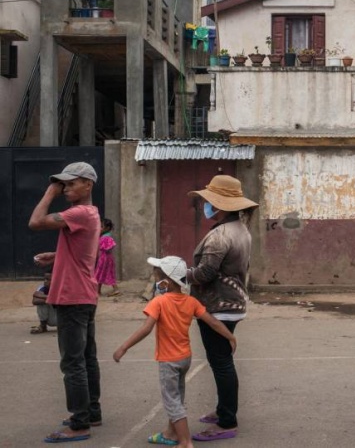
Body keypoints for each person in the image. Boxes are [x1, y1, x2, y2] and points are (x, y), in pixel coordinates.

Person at [114, 256, 237, 448]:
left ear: (167, 281)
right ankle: (170, 433)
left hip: (168, 361)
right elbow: (212, 322)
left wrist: (123, 347)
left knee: (172, 402)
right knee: (177, 396)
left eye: (157, 277)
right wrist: (230, 336)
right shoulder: (191, 302)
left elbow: (146, 329)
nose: (156, 281)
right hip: (184, 358)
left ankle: (185, 441)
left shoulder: (159, 302)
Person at [28, 162, 102, 443]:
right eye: (63, 184)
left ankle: (80, 423)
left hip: (73, 296)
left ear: (88, 185)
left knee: (72, 362)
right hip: (85, 293)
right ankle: (91, 411)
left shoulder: (79, 212)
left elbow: (35, 222)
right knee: (86, 358)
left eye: (71, 184)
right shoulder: (90, 213)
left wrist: (49, 192)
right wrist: (56, 255)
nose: (66, 188)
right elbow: (81, 254)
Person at [185, 175, 257, 442]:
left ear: (221, 204)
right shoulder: (240, 228)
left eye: (209, 200)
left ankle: (227, 420)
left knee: (221, 363)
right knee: (221, 362)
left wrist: (179, 274)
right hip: (233, 302)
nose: (205, 204)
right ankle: (222, 409)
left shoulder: (220, 235)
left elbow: (204, 273)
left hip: (217, 306)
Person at [95, 218, 120, 297]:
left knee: (99, 273)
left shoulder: (105, 238)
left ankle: (97, 291)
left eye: (101, 227)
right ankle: (116, 289)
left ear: (107, 228)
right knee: (109, 273)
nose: (100, 228)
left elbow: (103, 248)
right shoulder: (107, 237)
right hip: (109, 258)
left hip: (103, 258)